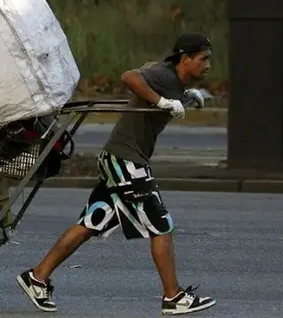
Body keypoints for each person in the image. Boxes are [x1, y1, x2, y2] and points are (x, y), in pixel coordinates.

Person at [16, 33, 217, 315]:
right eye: (203, 59)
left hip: (119, 158)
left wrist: (183, 96)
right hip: (127, 161)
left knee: (90, 222)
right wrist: (161, 102)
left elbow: (153, 83)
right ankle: (173, 297)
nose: (209, 65)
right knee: (162, 227)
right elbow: (129, 77)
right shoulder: (162, 74)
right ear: (185, 59)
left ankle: (37, 276)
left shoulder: (172, 79)